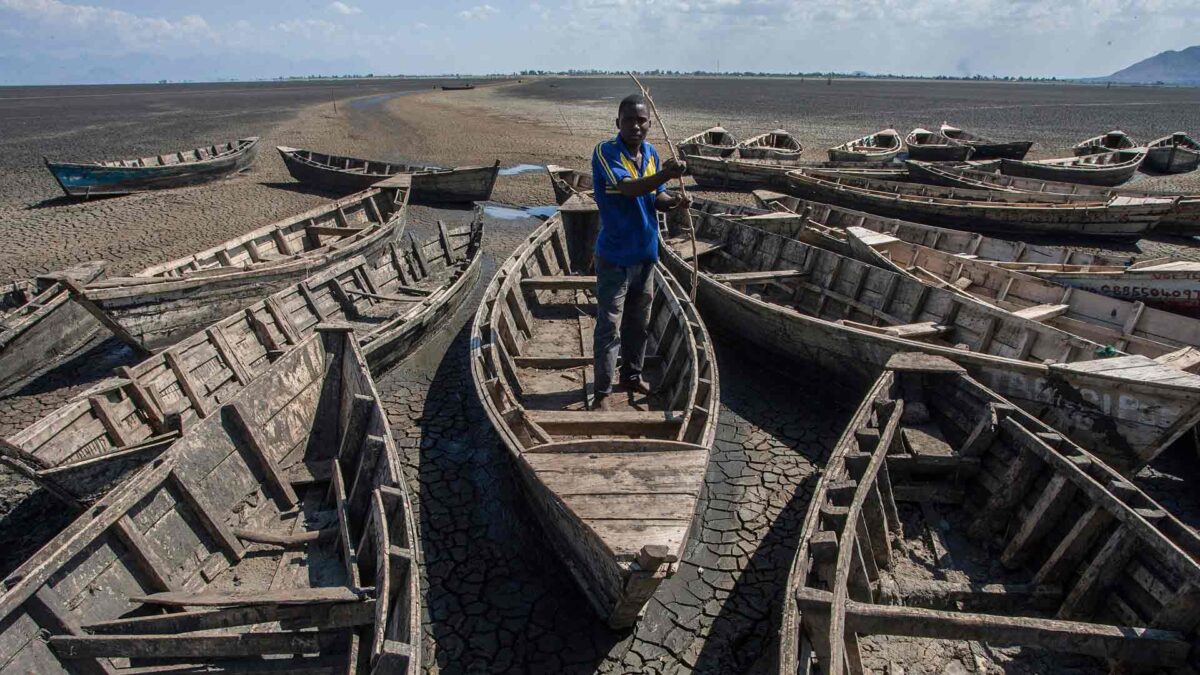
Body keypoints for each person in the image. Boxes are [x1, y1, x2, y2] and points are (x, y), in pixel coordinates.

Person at [590, 93, 691, 411]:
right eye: (629, 120)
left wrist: (674, 201)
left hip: (646, 256)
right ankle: (603, 393)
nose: (636, 126)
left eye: (642, 120)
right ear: (617, 123)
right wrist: (666, 175)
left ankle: (631, 376)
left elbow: (655, 197)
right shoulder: (606, 152)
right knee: (609, 326)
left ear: (649, 124)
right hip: (615, 258)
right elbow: (628, 188)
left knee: (639, 324)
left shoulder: (651, 153)